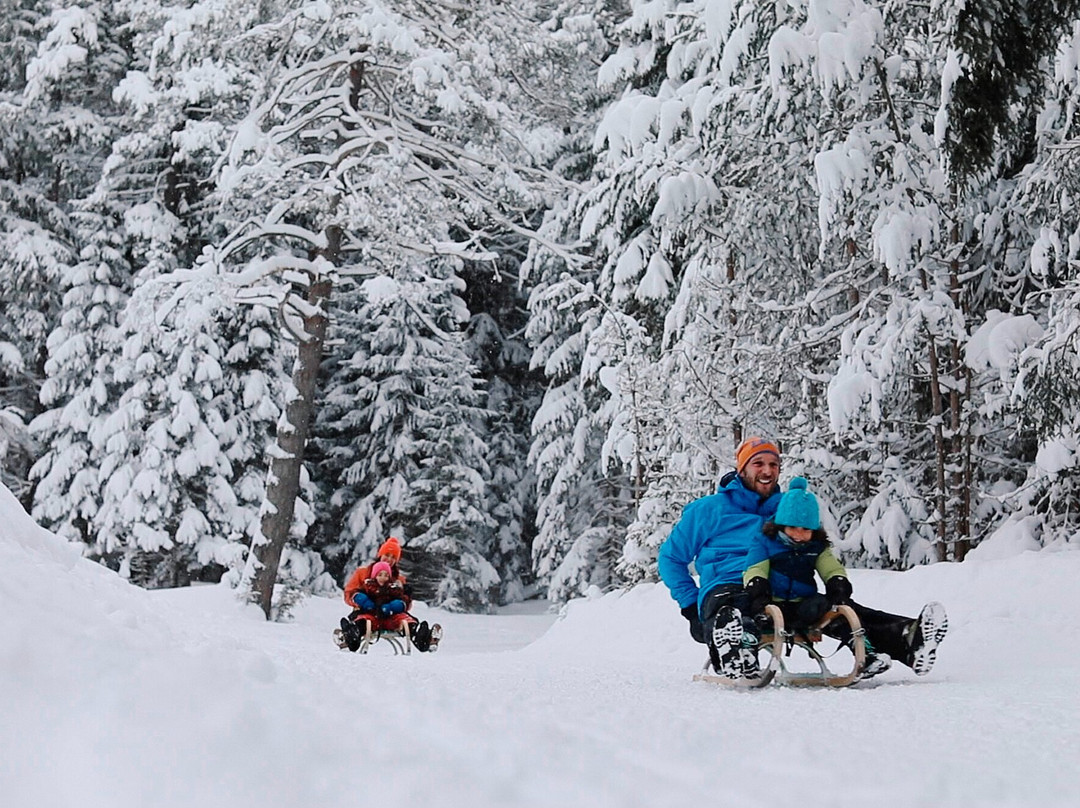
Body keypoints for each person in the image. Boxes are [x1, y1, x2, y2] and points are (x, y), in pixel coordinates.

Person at [658, 436, 948, 680]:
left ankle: (907, 638)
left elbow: (816, 547)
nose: (767, 470)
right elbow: (671, 558)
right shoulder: (708, 510)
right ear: (742, 468)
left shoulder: (787, 510)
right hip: (728, 585)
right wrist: (689, 606)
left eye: (773, 464)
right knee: (731, 605)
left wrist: (833, 580)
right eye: (758, 463)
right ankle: (734, 654)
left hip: (777, 589)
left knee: (836, 607)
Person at [736, 476, 891, 679]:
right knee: (742, 606)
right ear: (781, 525)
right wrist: (758, 592)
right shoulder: (766, 543)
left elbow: (831, 568)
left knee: (839, 611)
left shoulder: (816, 547)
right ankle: (746, 653)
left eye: (805, 530)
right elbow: (755, 569)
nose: (798, 535)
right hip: (769, 603)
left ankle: (865, 653)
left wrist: (838, 586)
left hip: (803, 606)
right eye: (792, 528)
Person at [340, 537, 440, 652]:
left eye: (393, 557)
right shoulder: (363, 574)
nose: (389, 559)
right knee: (363, 621)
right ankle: (349, 637)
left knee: (406, 620)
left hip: (391, 616)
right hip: (368, 612)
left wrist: (399, 603)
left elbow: (405, 604)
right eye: (387, 555)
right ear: (380, 554)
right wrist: (360, 599)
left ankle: (424, 638)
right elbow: (349, 593)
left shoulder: (398, 580)